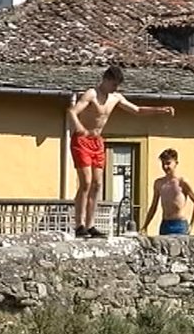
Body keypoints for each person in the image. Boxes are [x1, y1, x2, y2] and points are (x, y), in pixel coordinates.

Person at [67, 66, 175, 238]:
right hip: (81, 140)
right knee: (86, 182)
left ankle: (91, 225)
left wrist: (159, 110)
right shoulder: (91, 94)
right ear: (106, 79)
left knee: (97, 184)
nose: (115, 88)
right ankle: (79, 225)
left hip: (97, 141)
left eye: (117, 85)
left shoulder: (115, 98)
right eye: (113, 84)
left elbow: (137, 110)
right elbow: (72, 111)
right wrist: (79, 127)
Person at [140, 148, 194, 236]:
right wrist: (145, 226)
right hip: (165, 224)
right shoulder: (159, 183)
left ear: (176, 163)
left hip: (179, 225)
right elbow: (153, 207)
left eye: (168, 163)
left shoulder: (182, 182)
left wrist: (191, 225)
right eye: (163, 163)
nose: (165, 167)